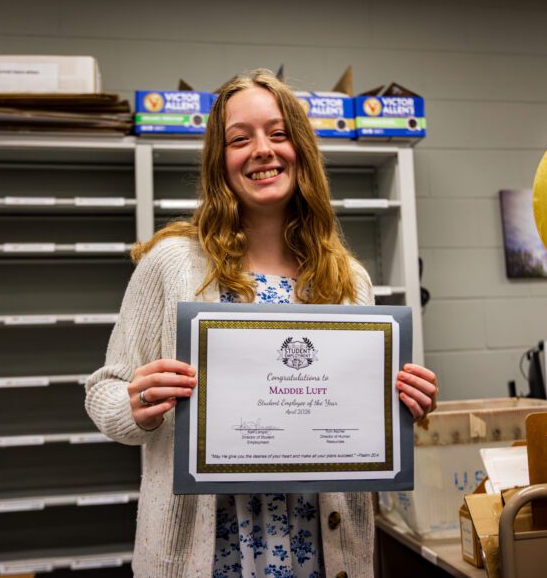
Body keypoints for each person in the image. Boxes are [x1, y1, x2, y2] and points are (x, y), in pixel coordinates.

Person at [85, 69, 438, 578]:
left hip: (321, 550)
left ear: (302, 149)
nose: (262, 150)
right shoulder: (171, 264)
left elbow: (360, 416)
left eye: (278, 133)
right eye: (239, 139)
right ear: (218, 160)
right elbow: (103, 392)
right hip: (209, 554)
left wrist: (404, 403)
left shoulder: (348, 280)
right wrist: (136, 406)